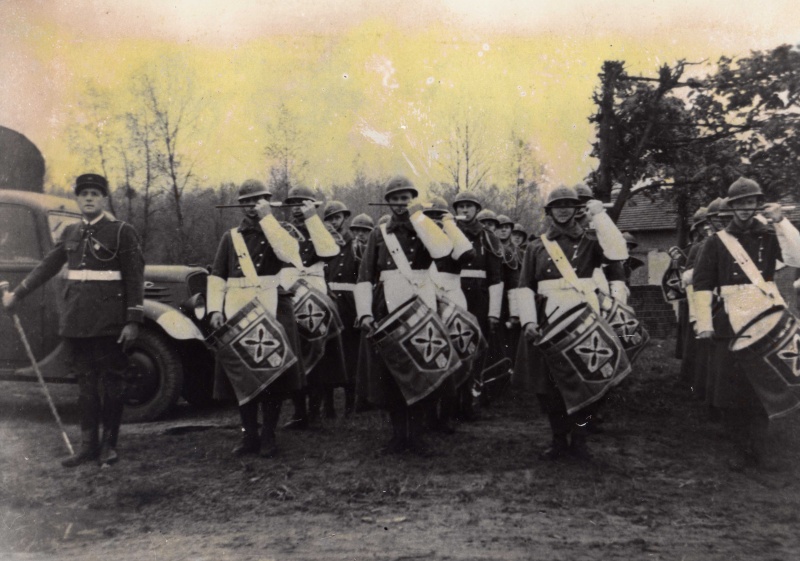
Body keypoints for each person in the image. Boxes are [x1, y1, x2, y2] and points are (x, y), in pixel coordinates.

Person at [2, 173, 144, 467]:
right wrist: (18, 294)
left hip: (109, 326)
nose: (89, 198)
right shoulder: (70, 232)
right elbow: (47, 267)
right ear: (77, 199)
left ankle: (108, 446)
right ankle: (87, 447)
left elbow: (134, 278)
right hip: (76, 325)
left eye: (95, 193)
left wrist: (132, 321)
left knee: (111, 385)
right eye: (84, 194)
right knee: (86, 389)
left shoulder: (121, 232)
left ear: (104, 199)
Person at [513, 185, 629, 461]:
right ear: (549, 211)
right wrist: (528, 320)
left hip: (584, 319)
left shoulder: (591, 241)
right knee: (550, 387)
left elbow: (617, 252)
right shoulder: (536, 246)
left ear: (577, 209)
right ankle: (558, 440)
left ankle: (580, 440)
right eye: (557, 205)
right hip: (548, 319)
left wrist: (600, 217)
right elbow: (525, 287)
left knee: (586, 383)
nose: (563, 210)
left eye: (568, 205)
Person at [694, 178, 800, 471]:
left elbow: (796, 256)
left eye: (750, 202)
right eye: (739, 203)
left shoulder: (768, 234)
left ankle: (761, 449)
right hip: (730, 318)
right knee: (732, 391)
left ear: (757, 204)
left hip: (765, 314)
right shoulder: (716, 242)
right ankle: (740, 450)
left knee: (763, 387)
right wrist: (704, 322)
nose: (744, 208)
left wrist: (781, 222)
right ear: (732, 206)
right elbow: (702, 284)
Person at [207, 179, 305, 458]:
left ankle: (269, 435)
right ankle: (249, 434)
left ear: (267, 201)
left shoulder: (279, 230)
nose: (252, 206)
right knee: (242, 375)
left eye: (257, 200)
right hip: (238, 309)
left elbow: (290, 254)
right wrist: (215, 309)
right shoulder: (231, 237)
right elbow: (217, 276)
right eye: (246, 202)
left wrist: (269, 220)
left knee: (271, 374)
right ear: (240, 205)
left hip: (269, 307)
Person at [355, 176, 454, 454]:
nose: (400, 203)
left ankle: (418, 435)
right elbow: (365, 275)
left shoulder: (425, 226)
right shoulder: (380, 232)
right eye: (395, 198)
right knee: (392, 373)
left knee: (421, 367)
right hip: (387, 305)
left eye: (405, 197)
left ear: (413, 198)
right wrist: (364, 312)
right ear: (388, 201)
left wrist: (420, 219)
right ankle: (398, 435)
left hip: (421, 304)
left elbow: (442, 250)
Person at [279, 187, 345, 429]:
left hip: (317, 289)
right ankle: (298, 411)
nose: (297, 207)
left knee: (321, 350)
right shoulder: (282, 229)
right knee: (295, 350)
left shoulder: (323, 228)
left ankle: (317, 409)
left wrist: (312, 220)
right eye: (293, 203)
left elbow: (332, 250)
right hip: (291, 290)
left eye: (303, 202)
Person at [452, 192, 505, 418]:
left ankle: (471, 402)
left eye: (469, 206)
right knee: (454, 348)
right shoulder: (448, 233)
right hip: (453, 295)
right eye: (461, 206)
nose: (464, 210)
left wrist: (493, 312)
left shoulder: (487, 238)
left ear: (476, 209)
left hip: (480, 300)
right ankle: (450, 403)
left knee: (476, 351)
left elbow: (496, 277)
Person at [322, 201, 363, 417]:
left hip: (349, 304)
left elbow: (364, 276)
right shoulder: (321, 243)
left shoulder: (355, 245)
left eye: (337, 218)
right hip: (327, 301)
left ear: (344, 219)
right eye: (329, 218)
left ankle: (350, 403)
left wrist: (361, 308)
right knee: (328, 352)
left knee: (350, 353)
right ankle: (327, 405)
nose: (333, 222)